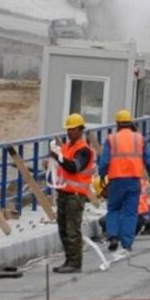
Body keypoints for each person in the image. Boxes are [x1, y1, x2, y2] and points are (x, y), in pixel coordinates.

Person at [98, 109, 150, 258]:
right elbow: (149, 160)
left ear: (117, 124)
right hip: (133, 180)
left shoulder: (112, 139)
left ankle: (113, 237)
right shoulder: (139, 139)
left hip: (116, 180)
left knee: (114, 209)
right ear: (131, 123)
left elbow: (104, 162)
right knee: (131, 212)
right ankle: (127, 244)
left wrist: (102, 174)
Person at [49, 113, 95, 274]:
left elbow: (74, 167)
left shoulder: (84, 150)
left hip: (75, 195)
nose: (69, 132)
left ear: (80, 130)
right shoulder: (68, 147)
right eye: (68, 129)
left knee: (72, 229)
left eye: (72, 129)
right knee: (63, 229)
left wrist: (58, 157)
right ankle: (69, 260)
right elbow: (63, 166)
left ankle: (75, 263)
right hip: (64, 193)